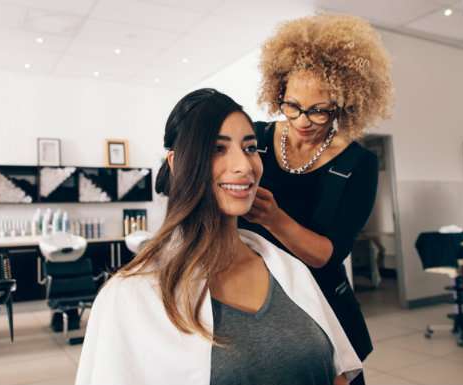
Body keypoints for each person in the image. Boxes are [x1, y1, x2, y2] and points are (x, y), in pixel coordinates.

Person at [76, 88, 361, 385]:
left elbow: (336, 372)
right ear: (176, 163)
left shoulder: (291, 272)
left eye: (250, 148)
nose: (244, 165)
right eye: (217, 149)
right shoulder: (131, 295)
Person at [238, 13, 395, 381]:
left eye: (319, 111)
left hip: (320, 301)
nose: (302, 120)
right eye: (291, 105)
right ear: (278, 91)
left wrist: (274, 218)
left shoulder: (359, 163)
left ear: (343, 105)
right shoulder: (255, 138)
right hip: (254, 296)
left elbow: (329, 254)